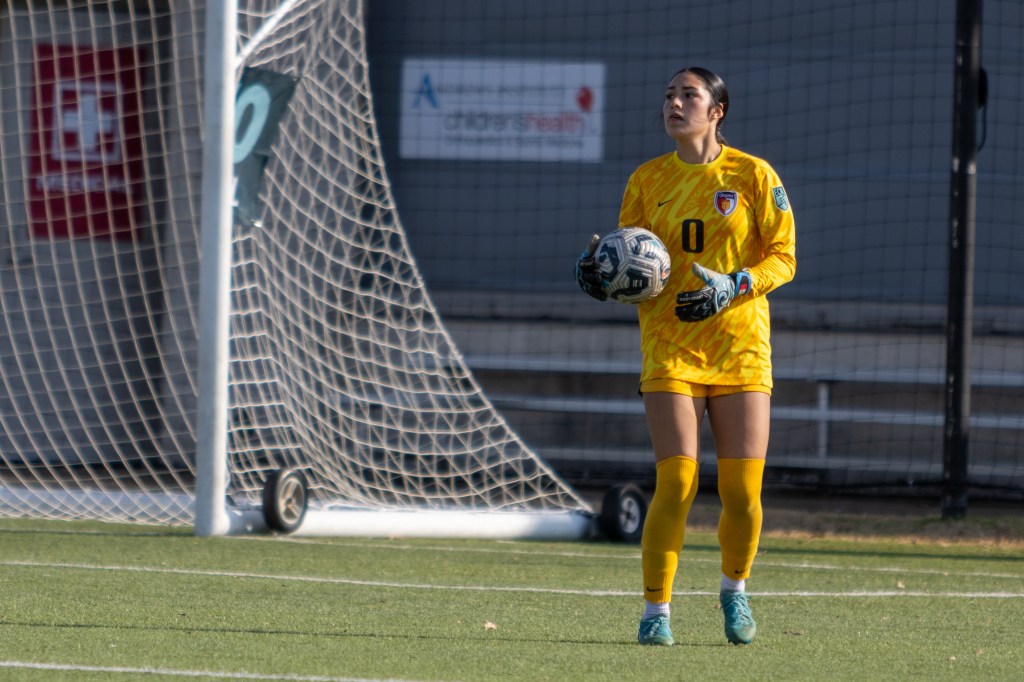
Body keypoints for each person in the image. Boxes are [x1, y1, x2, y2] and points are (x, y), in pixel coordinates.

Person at [576, 66, 796, 646]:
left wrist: (734, 285)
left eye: (688, 95)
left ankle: (735, 592)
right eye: (669, 95)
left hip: (741, 349)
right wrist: (599, 275)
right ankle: (655, 613)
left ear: (717, 110)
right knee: (676, 483)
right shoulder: (647, 180)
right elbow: (632, 268)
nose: (674, 103)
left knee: (743, 494)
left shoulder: (753, 175)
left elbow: (784, 257)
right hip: (669, 350)